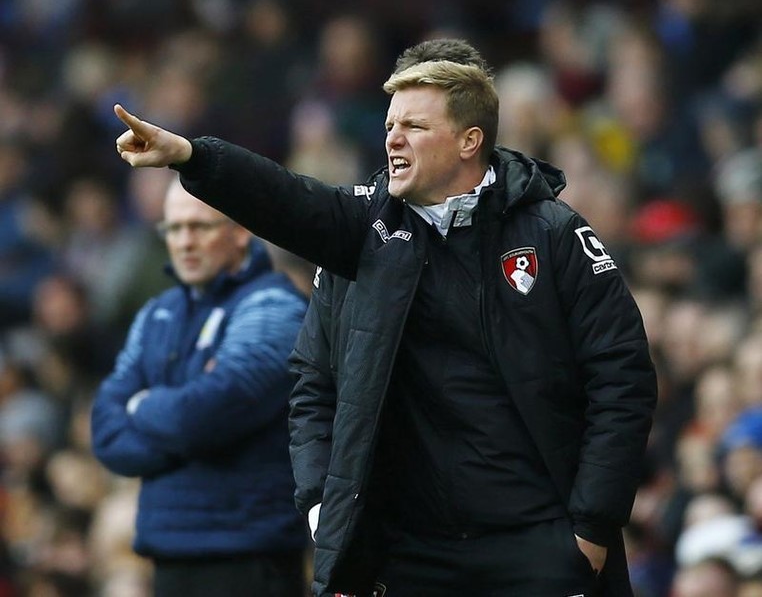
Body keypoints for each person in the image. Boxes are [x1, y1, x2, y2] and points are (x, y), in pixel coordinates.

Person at [112, 37, 657, 597]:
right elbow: (290, 206)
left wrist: (591, 525)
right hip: (407, 553)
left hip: (535, 541)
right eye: (391, 124)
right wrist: (192, 157)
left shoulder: (553, 234)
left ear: (470, 141)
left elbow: (623, 377)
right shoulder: (365, 231)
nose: (392, 139)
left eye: (415, 127)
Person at [90, 176, 309, 597]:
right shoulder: (157, 314)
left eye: (200, 227)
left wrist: (142, 408)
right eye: (174, 228)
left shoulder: (273, 307)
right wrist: (179, 417)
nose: (184, 241)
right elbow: (106, 432)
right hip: (168, 555)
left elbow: (205, 414)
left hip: (249, 559)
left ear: (241, 231)